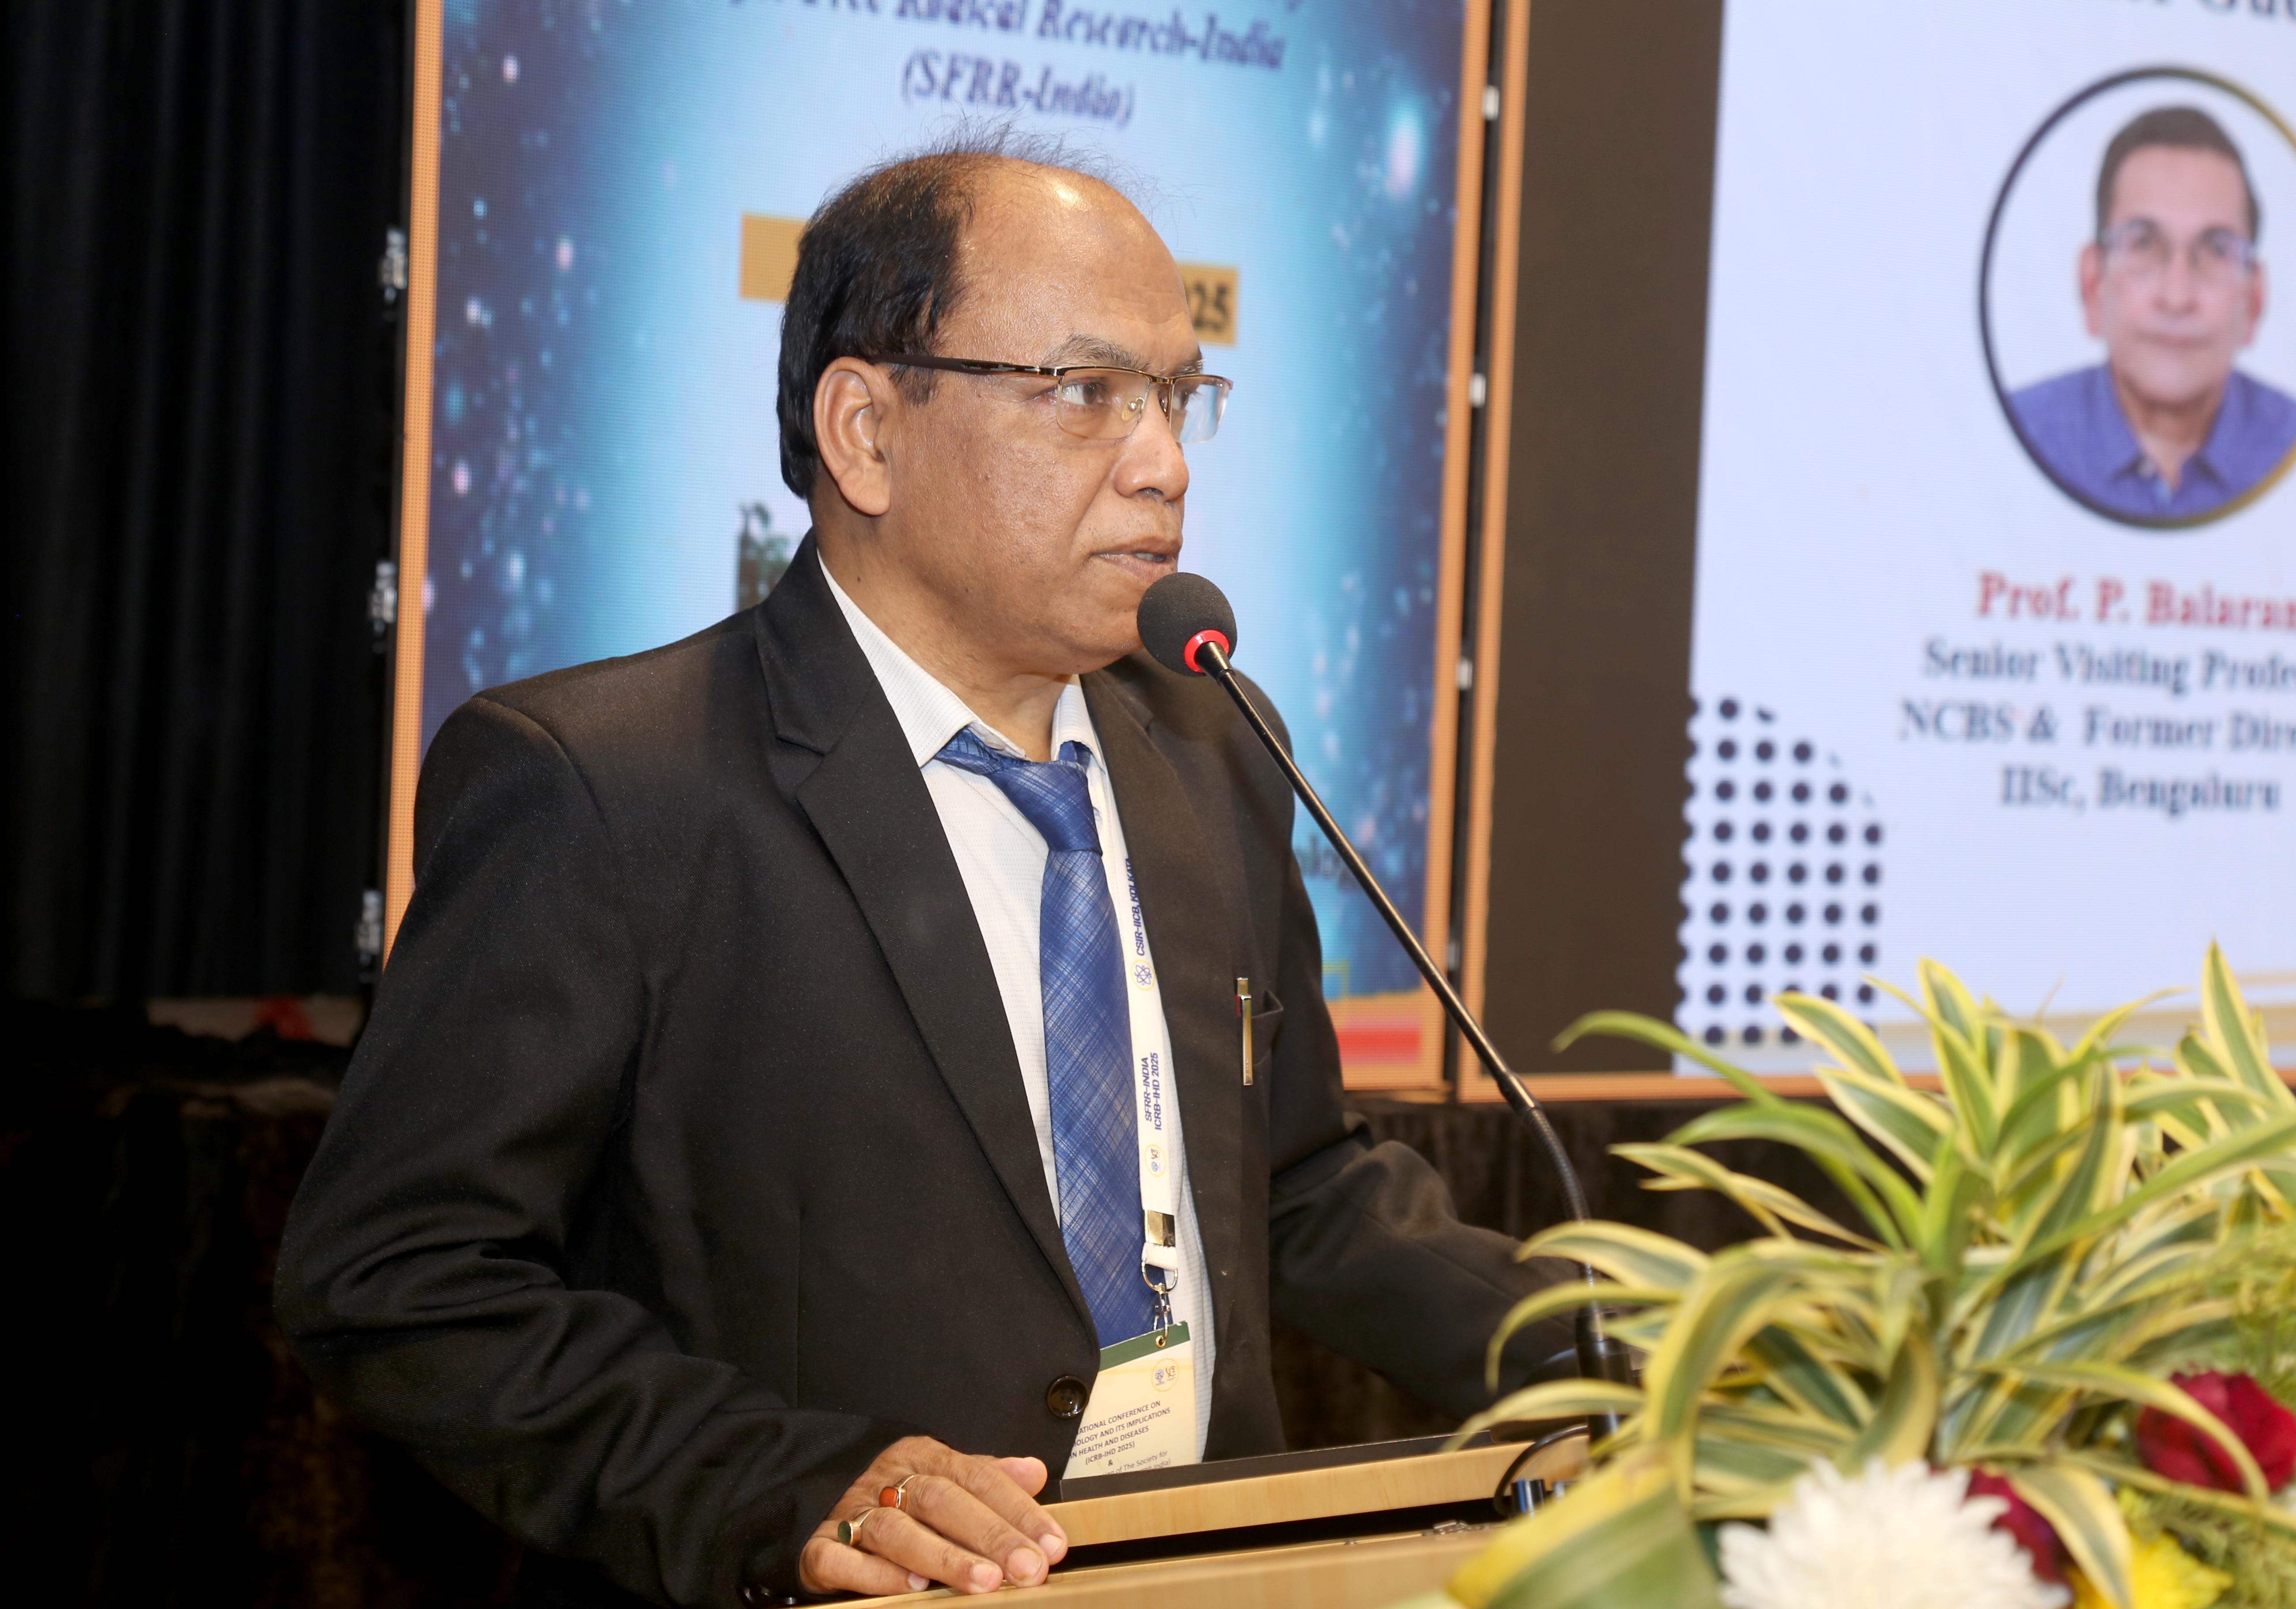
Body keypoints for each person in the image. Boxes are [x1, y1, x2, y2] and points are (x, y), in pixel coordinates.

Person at [275, 133, 1573, 1609]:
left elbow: (1290, 1183)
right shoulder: (606, 784)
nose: (1163, 461)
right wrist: (779, 1484)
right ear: (866, 430)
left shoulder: (1215, 740)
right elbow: (400, 1276)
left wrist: (1639, 1349)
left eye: (1177, 395)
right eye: (1086, 392)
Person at [2008, 105, 2296, 520]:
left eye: (2216, 250)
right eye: (2144, 244)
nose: (2177, 297)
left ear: (2255, 299)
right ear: (2093, 284)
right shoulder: (2012, 436)